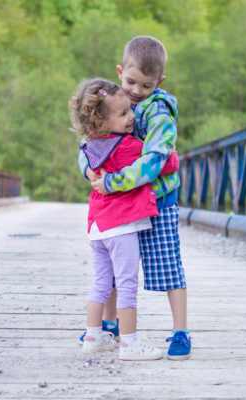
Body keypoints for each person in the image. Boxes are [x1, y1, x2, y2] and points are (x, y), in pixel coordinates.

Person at [78, 36, 191, 361]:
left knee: (168, 265)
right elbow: (90, 145)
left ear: (159, 82)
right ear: (119, 72)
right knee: (115, 268)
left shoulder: (159, 112)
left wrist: (112, 182)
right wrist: (89, 172)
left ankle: (180, 331)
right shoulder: (112, 99)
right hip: (124, 207)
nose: (136, 91)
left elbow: (156, 159)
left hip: (157, 199)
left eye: (146, 85)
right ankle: (109, 326)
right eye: (130, 82)